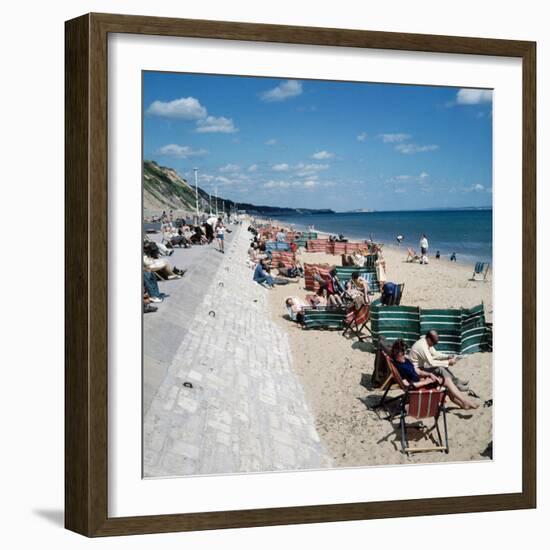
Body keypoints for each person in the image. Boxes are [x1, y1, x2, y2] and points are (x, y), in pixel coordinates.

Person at [391, 340, 478, 410]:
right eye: (402, 352)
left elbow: (418, 371)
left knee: (447, 384)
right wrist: (426, 381)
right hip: (419, 389)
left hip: (423, 381)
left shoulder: (405, 360)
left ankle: (463, 404)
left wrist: (429, 374)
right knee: (447, 381)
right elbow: (408, 385)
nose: (404, 354)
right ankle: (465, 401)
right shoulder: (399, 367)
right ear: (396, 352)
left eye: (405, 351)